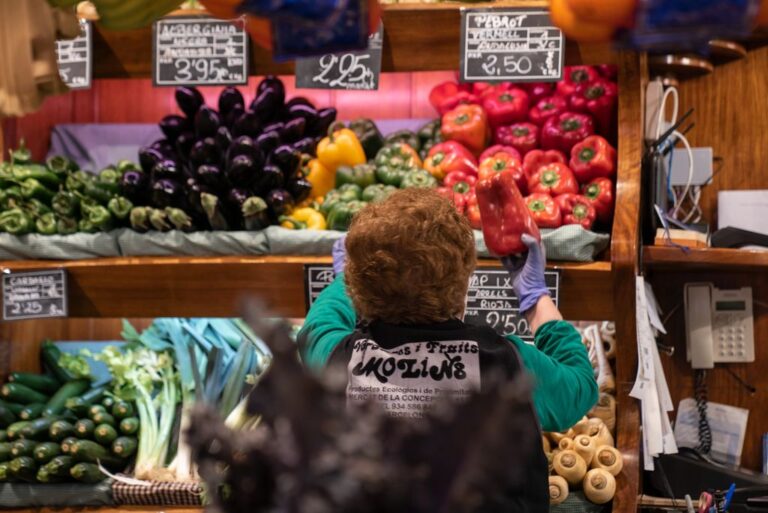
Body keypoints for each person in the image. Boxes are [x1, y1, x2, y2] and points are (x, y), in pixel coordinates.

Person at [298, 188, 597, 432]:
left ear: (359, 289)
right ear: (464, 284)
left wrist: (348, 277)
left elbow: (319, 323)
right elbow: (581, 387)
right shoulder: (506, 363)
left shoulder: (335, 358)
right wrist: (535, 299)